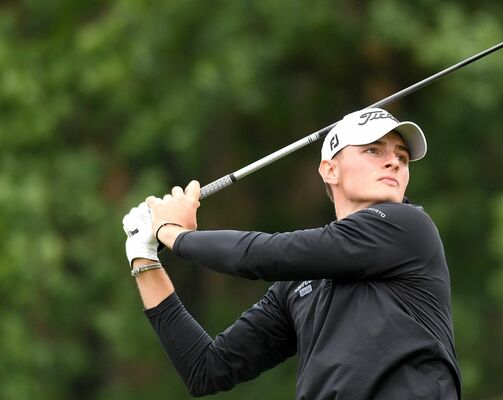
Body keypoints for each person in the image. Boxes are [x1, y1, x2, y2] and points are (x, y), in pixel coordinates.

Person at [121, 108, 462, 399]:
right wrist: (144, 256)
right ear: (330, 170)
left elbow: (261, 255)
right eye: (374, 150)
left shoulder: (408, 226)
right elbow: (206, 369)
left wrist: (171, 232)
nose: (393, 163)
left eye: (401, 157)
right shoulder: (299, 285)